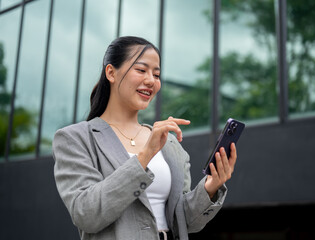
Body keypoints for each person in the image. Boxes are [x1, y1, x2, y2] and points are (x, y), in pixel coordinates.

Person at [53, 36, 237, 240]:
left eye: (156, 74)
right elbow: (86, 214)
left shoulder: (169, 143)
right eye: (141, 70)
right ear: (111, 73)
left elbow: (183, 222)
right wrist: (145, 156)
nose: (151, 80)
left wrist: (210, 187)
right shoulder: (75, 139)